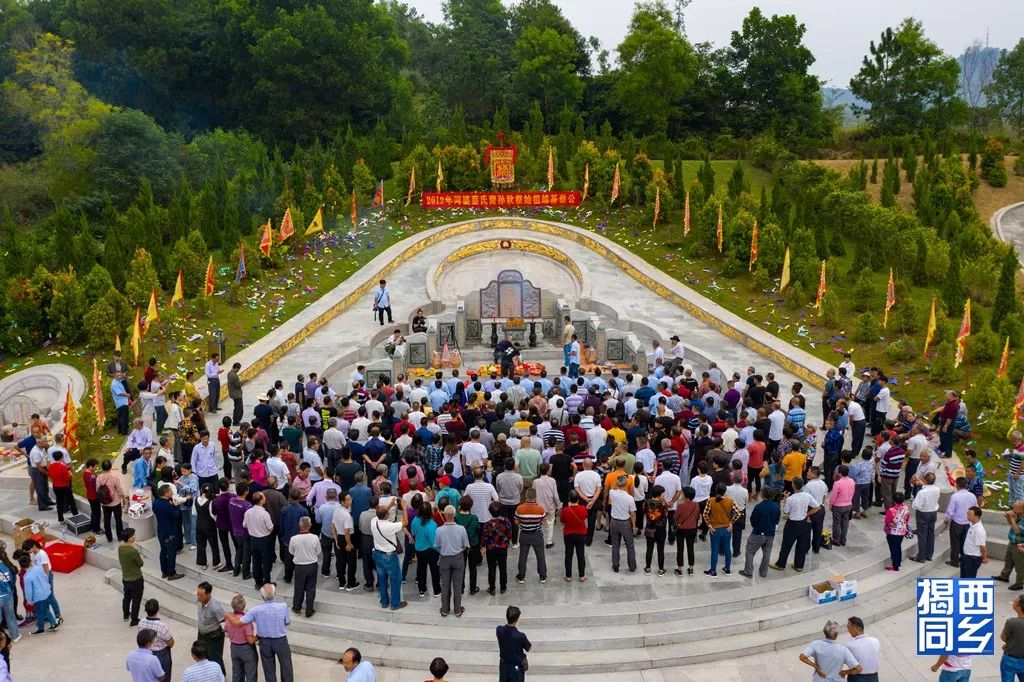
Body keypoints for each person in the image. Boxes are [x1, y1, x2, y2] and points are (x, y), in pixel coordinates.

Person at [224, 583, 294, 682]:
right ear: (275, 594)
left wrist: (227, 615)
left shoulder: (255, 610)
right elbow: (287, 622)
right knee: (286, 666)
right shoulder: (283, 606)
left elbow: (238, 623)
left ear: (262, 596)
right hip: (280, 641)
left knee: (269, 670)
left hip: (264, 642)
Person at [770, 477, 819, 572]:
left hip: (792, 524)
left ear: (793, 485)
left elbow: (785, 511)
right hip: (804, 523)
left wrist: (785, 499)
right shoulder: (807, 495)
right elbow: (817, 507)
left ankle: (781, 564)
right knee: (802, 545)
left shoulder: (791, 499)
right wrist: (807, 514)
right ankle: (799, 565)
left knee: (786, 545)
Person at [371, 497, 409, 610]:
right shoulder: (390, 526)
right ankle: (395, 604)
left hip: (377, 554)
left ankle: (384, 601)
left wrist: (390, 505)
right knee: (395, 579)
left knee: (382, 578)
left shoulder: (374, 522)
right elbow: (405, 522)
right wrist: (404, 508)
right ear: (387, 515)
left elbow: (381, 513)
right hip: (389, 556)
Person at [739, 488, 782, 579]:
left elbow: (753, 520)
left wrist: (757, 527)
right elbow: (777, 520)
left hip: (758, 533)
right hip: (770, 533)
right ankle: (763, 572)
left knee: (750, 551)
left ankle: (748, 571)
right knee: (767, 553)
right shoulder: (776, 507)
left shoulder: (759, 507)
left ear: (762, 495)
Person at [435, 506, 470, 617]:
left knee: (445, 585)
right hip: (458, 557)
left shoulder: (439, 530)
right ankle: (457, 610)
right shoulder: (461, 529)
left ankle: (445, 610)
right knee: (457, 585)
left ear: (445, 515)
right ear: (454, 515)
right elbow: (465, 545)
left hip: (445, 558)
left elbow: (437, 545)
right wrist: (458, 550)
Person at [703, 482, 740, 576]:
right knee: (727, 549)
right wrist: (731, 523)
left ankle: (713, 571)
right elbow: (738, 513)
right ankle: (727, 569)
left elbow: (705, 514)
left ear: (716, 491)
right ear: (725, 491)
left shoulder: (710, 500)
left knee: (714, 550)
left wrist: (709, 526)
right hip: (727, 529)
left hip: (714, 529)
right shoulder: (730, 500)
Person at [289, 515, 322, 617]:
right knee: (311, 588)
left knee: (298, 588)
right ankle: (309, 610)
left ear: (300, 526)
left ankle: (297, 608)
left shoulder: (294, 539)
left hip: (299, 567)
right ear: (310, 525)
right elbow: (318, 552)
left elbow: (291, 552)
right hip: (312, 566)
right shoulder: (315, 538)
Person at [943, 477, 976, 569]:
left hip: (957, 522)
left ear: (957, 485)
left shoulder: (955, 496)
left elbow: (950, 511)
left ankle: (954, 561)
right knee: (964, 541)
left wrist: (946, 519)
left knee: (955, 542)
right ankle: (963, 558)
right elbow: (975, 508)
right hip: (968, 523)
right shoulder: (972, 496)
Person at [153, 484, 184, 580]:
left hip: (161, 530)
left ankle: (164, 571)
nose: (172, 492)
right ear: (166, 493)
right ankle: (171, 573)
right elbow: (175, 515)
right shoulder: (167, 505)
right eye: (170, 490)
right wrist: (176, 506)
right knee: (171, 553)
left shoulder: (156, 502)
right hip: (170, 532)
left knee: (163, 551)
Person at [20, 553, 57, 634]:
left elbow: (28, 591)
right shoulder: (39, 568)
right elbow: (46, 577)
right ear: (30, 562)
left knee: (39, 612)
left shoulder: (27, 577)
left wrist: (29, 601)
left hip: (38, 596)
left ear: (22, 567)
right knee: (45, 609)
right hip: (46, 591)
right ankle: (53, 623)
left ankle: (41, 629)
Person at [138, 599, 174, 682]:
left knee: (150, 675)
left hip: (146, 652)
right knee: (164, 675)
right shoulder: (162, 626)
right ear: (158, 609)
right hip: (162, 654)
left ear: (145, 609)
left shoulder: (141, 623)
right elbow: (171, 643)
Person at [225, 594, 258, 682]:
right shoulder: (245, 620)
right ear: (244, 605)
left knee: (237, 674)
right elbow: (250, 641)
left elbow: (226, 631)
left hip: (234, 648)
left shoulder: (229, 619)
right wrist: (259, 636)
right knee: (251, 674)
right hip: (246, 649)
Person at [608, 474, 637, 573]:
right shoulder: (630, 498)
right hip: (625, 523)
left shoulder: (612, 493)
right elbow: (633, 514)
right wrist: (634, 526)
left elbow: (613, 488)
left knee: (615, 544)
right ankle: (632, 566)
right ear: (626, 484)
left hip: (614, 521)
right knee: (630, 545)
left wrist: (617, 479)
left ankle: (615, 565)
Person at [195, 582, 226, 674]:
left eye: (201, 595)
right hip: (201, 634)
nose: (198, 597)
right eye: (197, 594)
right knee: (201, 656)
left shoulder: (215, 607)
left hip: (213, 637)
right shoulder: (199, 600)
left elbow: (223, 621)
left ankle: (221, 676)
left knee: (215, 658)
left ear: (208, 594)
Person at [483, 501, 512, 595]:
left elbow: (485, 538)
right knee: (503, 567)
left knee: (491, 568)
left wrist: (484, 546)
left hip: (491, 549)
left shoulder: (487, 524)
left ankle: (492, 588)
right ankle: (503, 587)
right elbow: (510, 534)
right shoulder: (506, 521)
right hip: (503, 548)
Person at [496, 605, 531, 682]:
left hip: (503, 664)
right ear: (517, 619)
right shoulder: (520, 636)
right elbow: (528, 648)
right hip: (516, 667)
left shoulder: (499, 630)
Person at [119, 528, 145, 625]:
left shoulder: (120, 548)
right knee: (136, 600)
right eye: (133, 535)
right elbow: (140, 563)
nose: (134, 536)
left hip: (125, 578)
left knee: (127, 597)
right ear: (130, 538)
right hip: (136, 579)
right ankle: (134, 619)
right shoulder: (133, 551)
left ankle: (126, 614)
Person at [561, 491, 588, 582]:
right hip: (581, 534)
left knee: (568, 554)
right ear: (578, 499)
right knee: (581, 554)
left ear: (569, 499)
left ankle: (568, 575)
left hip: (568, 534)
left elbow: (562, 521)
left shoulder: (565, 510)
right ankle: (582, 575)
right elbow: (585, 518)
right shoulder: (583, 508)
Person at [673, 486, 700, 576]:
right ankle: (691, 568)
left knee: (680, 549)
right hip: (692, 529)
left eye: (683, 493)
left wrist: (678, 522)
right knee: (690, 548)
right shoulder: (696, 505)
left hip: (681, 529)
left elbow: (675, 517)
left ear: (686, 496)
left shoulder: (680, 506)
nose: (682, 494)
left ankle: (680, 569)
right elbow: (698, 517)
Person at [845, 617, 881, 682]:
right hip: (874, 678)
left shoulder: (850, 645)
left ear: (854, 628)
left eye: (848, 627)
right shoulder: (876, 641)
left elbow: (855, 668)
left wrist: (845, 672)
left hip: (857, 678)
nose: (848, 630)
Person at [883, 491, 911, 572]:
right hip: (902, 531)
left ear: (894, 500)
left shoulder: (891, 510)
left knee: (893, 549)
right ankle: (898, 563)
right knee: (898, 547)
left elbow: (887, 521)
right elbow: (907, 519)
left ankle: (895, 566)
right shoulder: (906, 508)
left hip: (893, 532)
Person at [644, 484, 669, 575]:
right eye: (663, 494)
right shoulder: (662, 505)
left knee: (649, 548)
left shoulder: (647, 502)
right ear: (659, 494)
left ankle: (647, 568)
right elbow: (666, 515)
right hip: (660, 529)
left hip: (650, 528)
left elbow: (645, 511)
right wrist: (664, 502)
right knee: (660, 549)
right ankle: (661, 570)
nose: (664, 495)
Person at [1002, 595, 1024, 681]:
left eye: (1014, 602)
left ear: (1019, 608)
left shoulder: (1011, 622)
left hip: (1010, 660)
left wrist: (1010, 644)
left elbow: (1003, 638)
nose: (1013, 603)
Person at [961, 506, 987, 579]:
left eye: (970, 515)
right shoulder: (971, 525)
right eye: (967, 514)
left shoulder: (979, 530)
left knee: (969, 579)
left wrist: (984, 558)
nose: (967, 516)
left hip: (972, 559)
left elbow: (982, 546)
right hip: (966, 557)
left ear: (977, 516)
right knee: (963, 578)